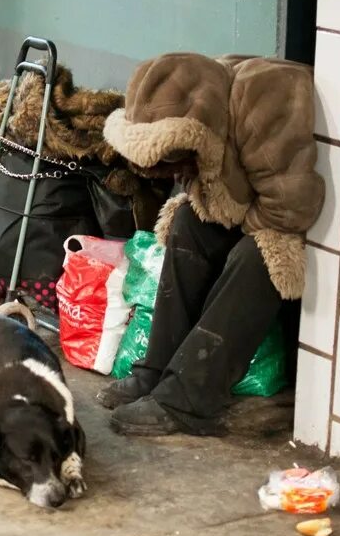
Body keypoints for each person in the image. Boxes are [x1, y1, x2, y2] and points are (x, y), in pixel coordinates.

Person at [95, 53, 324, 436]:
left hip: (299, 220)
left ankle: (187, 397)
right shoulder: (206, 94)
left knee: (255, 256)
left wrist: (240, 227)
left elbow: (292, 207)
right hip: (263, 207)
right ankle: (157, 370)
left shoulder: (263, 97)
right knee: (187, 220)